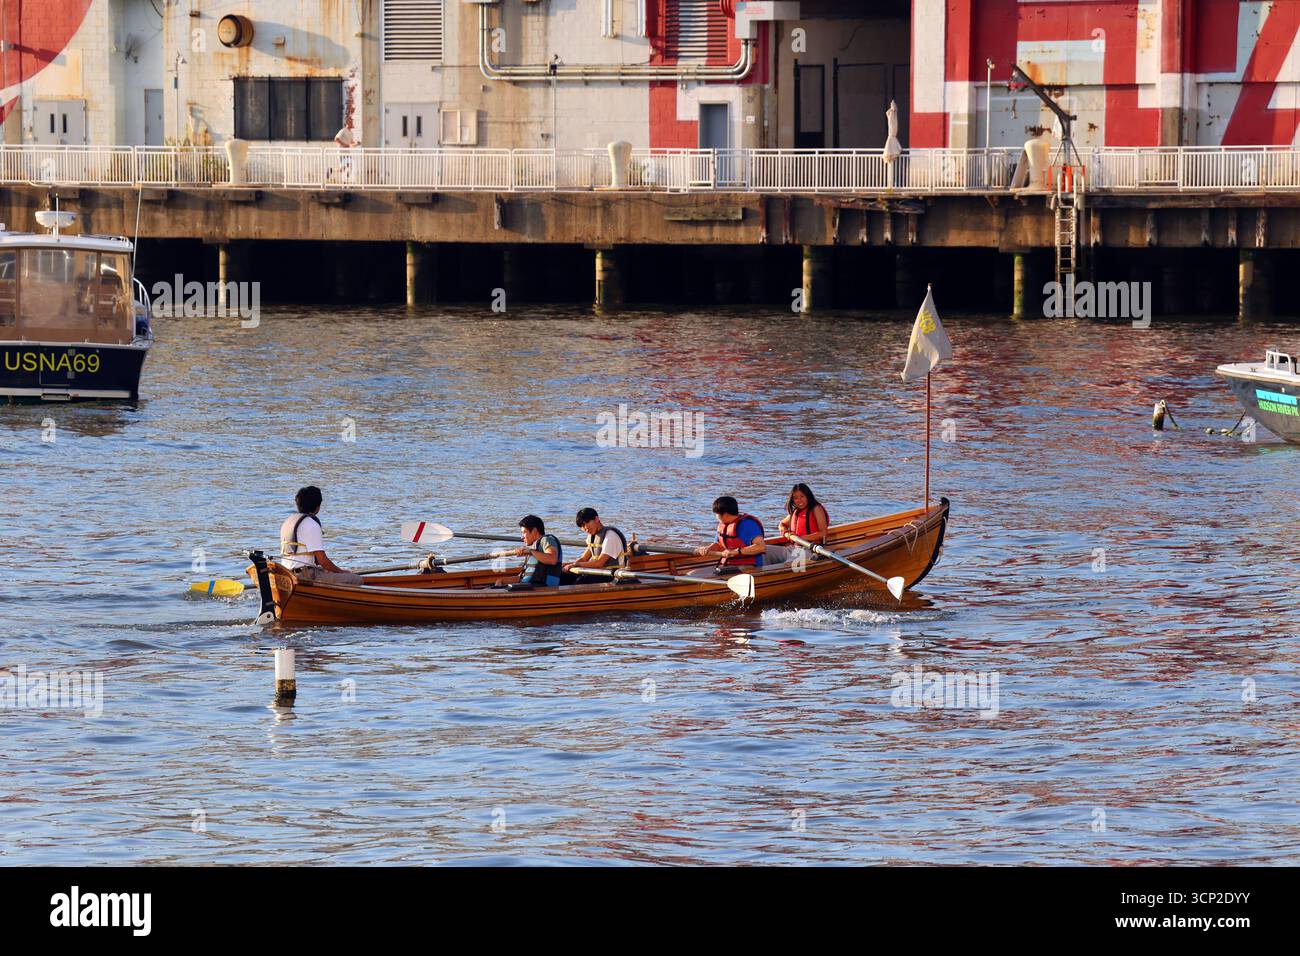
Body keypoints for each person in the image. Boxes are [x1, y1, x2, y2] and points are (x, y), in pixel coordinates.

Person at [278, 486, 364, 585]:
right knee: (356, 579)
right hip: (305, 576)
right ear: (317, 507)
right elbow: (323, 561)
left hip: (288, 574)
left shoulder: (287, 522)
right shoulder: (311, 524)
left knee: (331, 572)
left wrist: (327, 570)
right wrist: (342, 572)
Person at [694, 496, 765, 574]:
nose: (716, 517)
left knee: (719, 574)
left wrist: (736, 551)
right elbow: (718, 544)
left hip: (749, 565)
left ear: (725, 514)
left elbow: (761, 547)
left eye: (716, 514)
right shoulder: (723, 525)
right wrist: (708, 548)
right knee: (694, 573)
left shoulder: (748, 524)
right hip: (727, 564)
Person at [563, 508, 627, 579]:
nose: (585, 529)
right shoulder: (592, 536)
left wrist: (576, 564)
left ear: (596, 519)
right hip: (598, 573)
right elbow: (583, 559)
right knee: (563, 576)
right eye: (581, 526)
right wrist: (564, 565)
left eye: (585, 524)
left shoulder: (610, 536)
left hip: (612, 576)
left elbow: (599, 563)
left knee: (580, 581)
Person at [509, 514, 563, 588]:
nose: (522, 537)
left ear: (534, 531)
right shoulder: (533, 548)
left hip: (543, 588)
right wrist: (501, 581)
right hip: (528, 586)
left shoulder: (547, 540)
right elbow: (522, 577)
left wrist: (530, 551)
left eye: (524, 532)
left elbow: (552, 559)